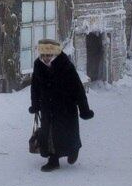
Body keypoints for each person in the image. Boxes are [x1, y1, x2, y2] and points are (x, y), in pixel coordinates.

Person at [29, 38, 94, 171]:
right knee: (49, 134)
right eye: (44, 55)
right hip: (47, 106)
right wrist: (35, 105)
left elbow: (78, 89)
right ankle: (53, 161)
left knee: (67, 132)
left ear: (55, 54)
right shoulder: (38, 65)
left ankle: (73, 150)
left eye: (49, 55)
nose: (46, 58)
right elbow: (35, 87)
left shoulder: (65, 65)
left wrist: (84, 110)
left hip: (66, 107)